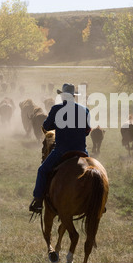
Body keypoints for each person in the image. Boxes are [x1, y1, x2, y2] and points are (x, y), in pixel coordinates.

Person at [29, 83, 91, 213]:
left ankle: (38, 201)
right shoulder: (84, 110)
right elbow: (87, 131)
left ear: (63, 96)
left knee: (42, 170)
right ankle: (97, 201)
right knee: (92, 172)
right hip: (81, 151)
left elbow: (46, 126)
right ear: (74, 96)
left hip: (62, 150)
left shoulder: (57, 109)